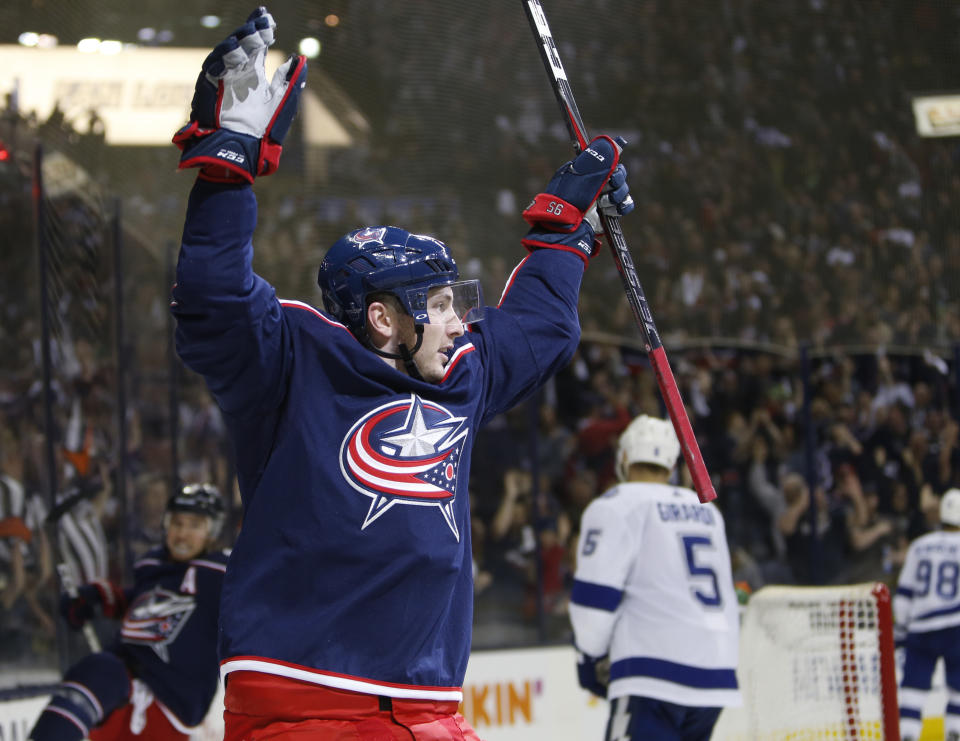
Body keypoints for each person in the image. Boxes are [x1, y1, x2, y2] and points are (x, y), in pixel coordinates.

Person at [168, 7, 634, 740]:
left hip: (426, 710)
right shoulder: (292, 358)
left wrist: (568, 225)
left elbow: (541, 326)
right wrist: (229, 170)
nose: (458, 321)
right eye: (442, 304)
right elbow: (211, 299)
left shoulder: (458, 375)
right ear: (384, 318)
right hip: (305, 705)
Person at [569, 415, 742, 741]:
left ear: (624, 457)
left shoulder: (616, 505)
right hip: (716, 673)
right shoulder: (707, 511)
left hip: (652, 673)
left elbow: (594, 602)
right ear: (672, 464)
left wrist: (588, 657)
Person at [28, 483, 228, 741]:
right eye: (177, 523)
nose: (182, 534)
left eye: (194, 525)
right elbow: (140, 600)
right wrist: (96, 597)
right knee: (99, 672)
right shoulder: (153, 564)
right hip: (127, 690)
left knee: (99, 669)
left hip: (168, 699)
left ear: (212, 532)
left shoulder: (221, 574)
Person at [893, 487, 960, 741]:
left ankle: (909, 737)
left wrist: (900, 634)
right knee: (958, 692)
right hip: (956, 628)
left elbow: (903, 596)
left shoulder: (919, 546)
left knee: (912, 693)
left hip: (920, 629)